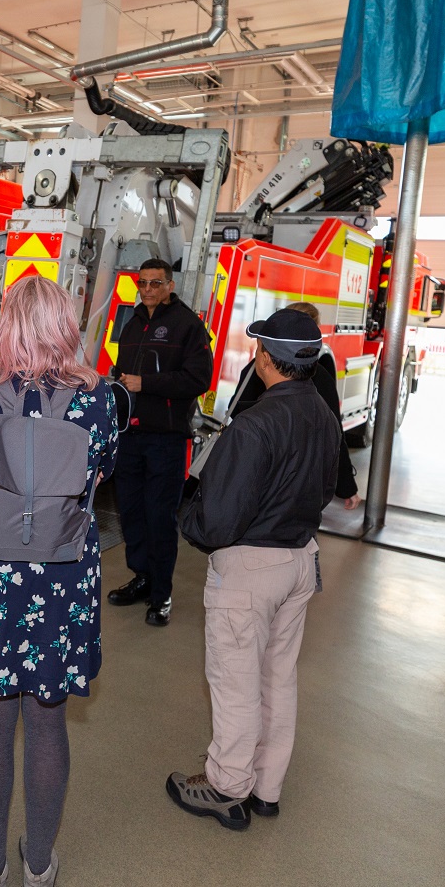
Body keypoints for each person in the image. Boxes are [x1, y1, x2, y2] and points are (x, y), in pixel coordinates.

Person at [0, 275, 118, 887]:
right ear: (67, 324)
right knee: (48, 723)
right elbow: (101, 473)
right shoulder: (100, 401)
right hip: (63, 574)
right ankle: (38, 865)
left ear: (8, 324)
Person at [169, 308, 340, 830]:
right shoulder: (325, 417)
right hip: (299, 561)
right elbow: (326, 491)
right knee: (278, 679)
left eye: (257, 349)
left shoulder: (255, 424)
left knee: (236, 682)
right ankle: (267, 788)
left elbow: (218, 518)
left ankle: (226, 787)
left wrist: (188, 520)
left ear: (267, 358)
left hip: (251, 569)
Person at [107, 257, 213, 627]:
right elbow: (125, 373)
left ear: (170, 285)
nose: (148, 289)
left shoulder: (189, 326)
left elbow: (198, 379)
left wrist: (145, 384)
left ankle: (162, 595)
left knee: (159, 516)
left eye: (156, 283)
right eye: (143, 283)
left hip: (166, 440)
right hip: (130, 436)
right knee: (131, 512)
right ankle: (142, 577)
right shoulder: (134, 321)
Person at [227, 301, 361, 509]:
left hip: (254, 485)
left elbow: (235, 411)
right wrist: (346, 486)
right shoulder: (321, 378)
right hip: (299, 493)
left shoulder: (256, 368)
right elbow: (334, 435)